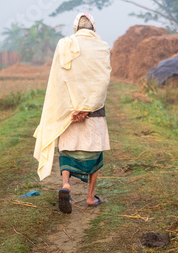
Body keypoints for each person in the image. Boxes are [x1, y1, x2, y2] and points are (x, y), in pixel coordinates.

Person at [33, 12, 112, 214]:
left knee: (67, 150)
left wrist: (73, 108)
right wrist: (87, 108)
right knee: (94, 153)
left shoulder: (64, 44)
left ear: (76, 27)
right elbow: (102, 82)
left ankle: (66, 184)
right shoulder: (102, 47)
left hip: (68, 112)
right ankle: (89, 197)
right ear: (93, 27)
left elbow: (59, 79)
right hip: (93, 112)